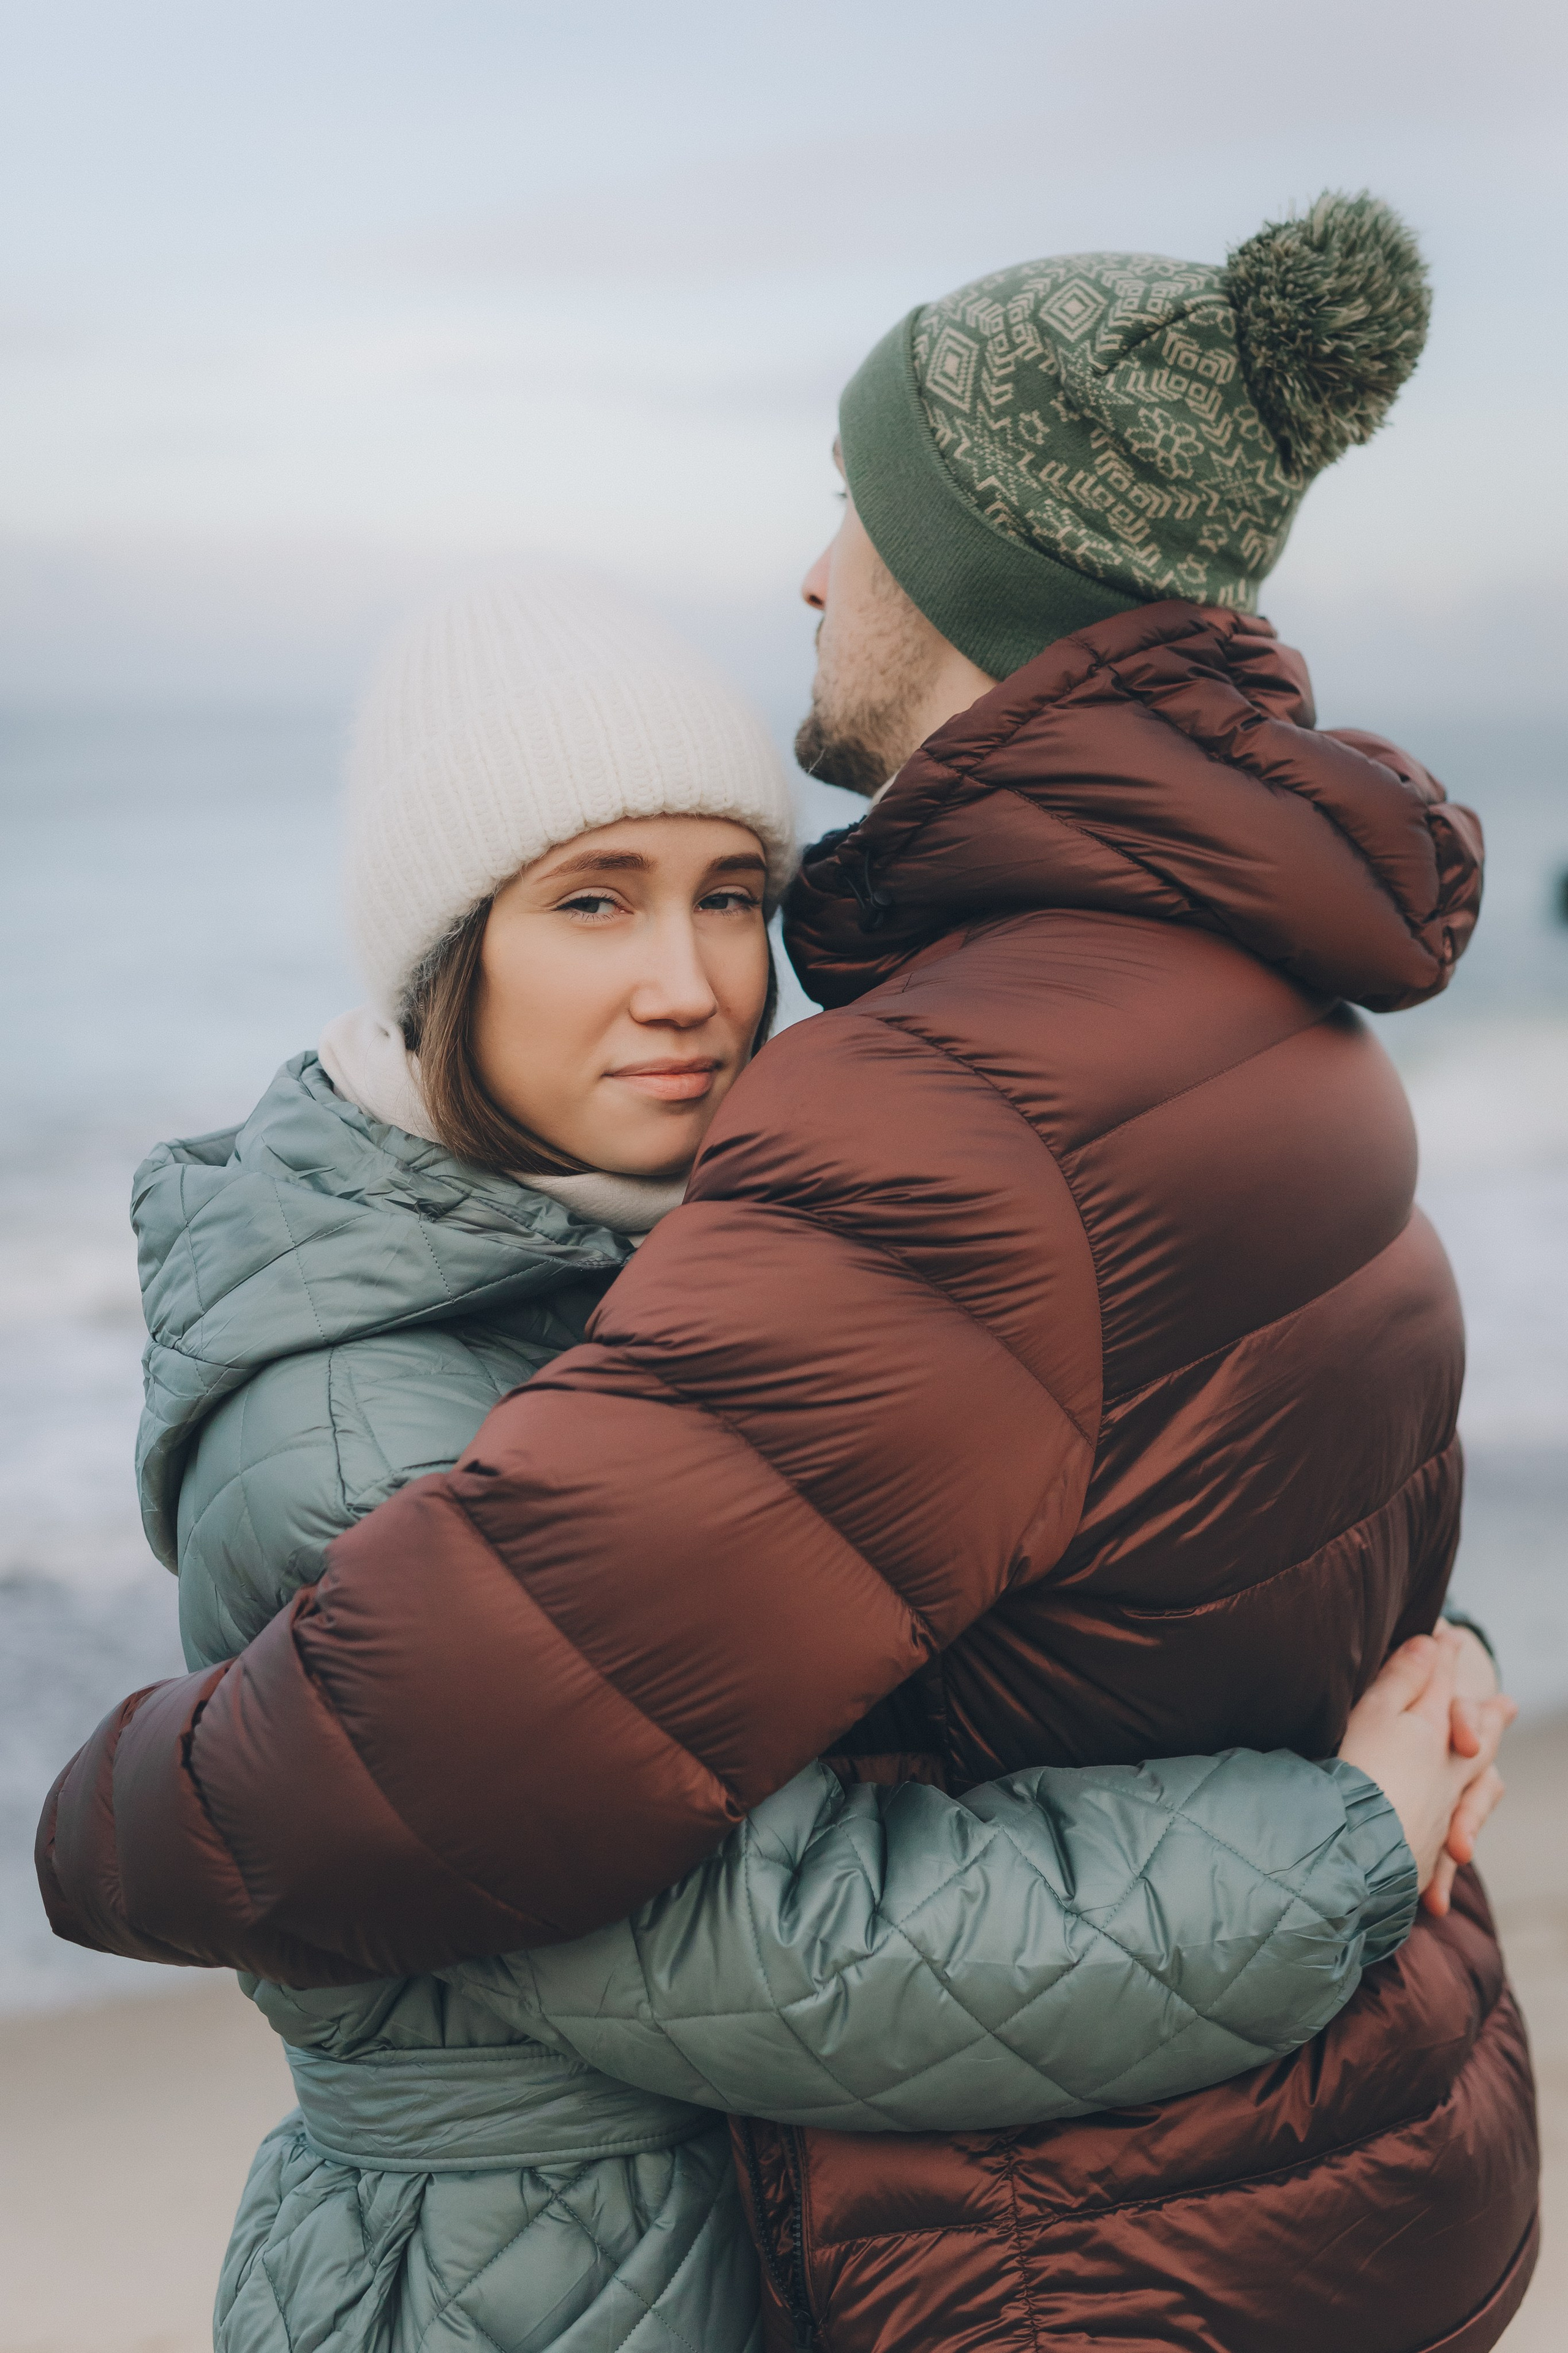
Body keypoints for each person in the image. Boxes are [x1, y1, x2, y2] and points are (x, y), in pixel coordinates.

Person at [40, 194, 1537, 2352]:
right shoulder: (1265, 1022)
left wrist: (118, 1821)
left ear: (969, 567)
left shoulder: (907, 1146)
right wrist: (1342, 1837)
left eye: (733, 892)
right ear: (441, 948)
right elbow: (716, 1917)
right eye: (590, 902)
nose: (684, 980)